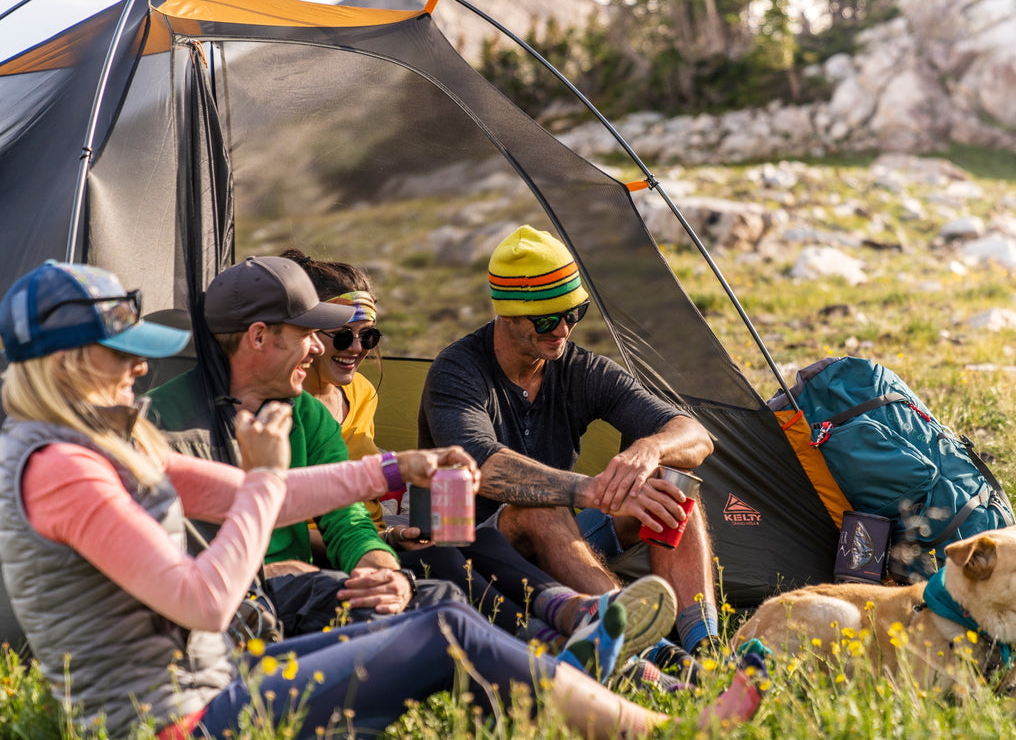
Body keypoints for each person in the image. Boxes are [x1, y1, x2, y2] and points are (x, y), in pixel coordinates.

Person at [0, 260, 769, 739]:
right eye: (120, 357)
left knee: (436, 617)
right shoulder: (63, 469)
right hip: (180, 720)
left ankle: (594, 679)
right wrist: (268, 479)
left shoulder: (95, 445)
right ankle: (665, 729)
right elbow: (203, 598)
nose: (138, 371)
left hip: (210, 681)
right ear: (69, 363)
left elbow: (259, 493)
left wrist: (399, 467)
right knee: (440, 635)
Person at [282, 248, 677, 658]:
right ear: (305, 334)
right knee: (452, 557)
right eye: (344, 336)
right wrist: (389, 534)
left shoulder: (360, 392)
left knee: (472, 545)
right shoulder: (284, 415)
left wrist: (649, 448)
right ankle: (571, 643)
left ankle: (616, 624)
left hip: (384, 538)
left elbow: (352, 481)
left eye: (370, 336)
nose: (358, 348)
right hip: (355, 550)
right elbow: (305, 525)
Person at [418, 225, 723, 667]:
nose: (562, 329)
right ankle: (642, 647)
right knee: (540, 504)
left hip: (560, 535)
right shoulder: (457, 371)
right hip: (474, 549)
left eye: (574, 313)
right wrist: (589, 489)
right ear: (507, 314)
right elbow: (480, 464)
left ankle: (707, 649)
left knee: (671, 488)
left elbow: (694, 434)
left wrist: (650, 450)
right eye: (546, 319)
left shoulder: (579, 367)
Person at [145, 255, 453, 634]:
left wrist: (383, 570)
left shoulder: (307, 415)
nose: (318, 348)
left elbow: (346, 518)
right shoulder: (160, 421)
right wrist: (269, 570)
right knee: (426, 618)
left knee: (439, 598)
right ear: (258, 337)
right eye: (305, 334)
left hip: (297, 589)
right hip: (226, 601)